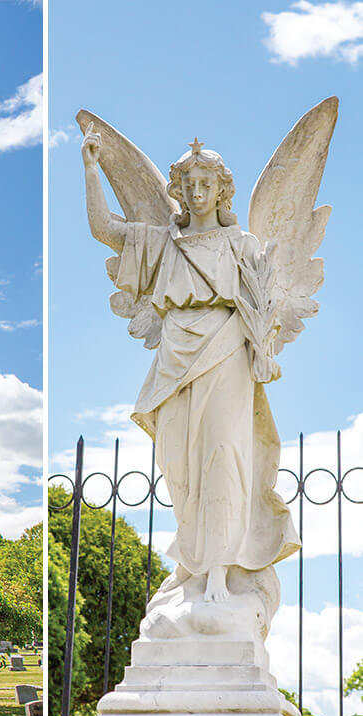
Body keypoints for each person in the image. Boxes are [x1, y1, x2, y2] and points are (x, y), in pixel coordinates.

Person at [81, 128, 299, 603]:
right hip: (175, 353)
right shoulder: (162, 244)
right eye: (189, 185)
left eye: (207, 184)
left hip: (225, 352)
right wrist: (91, 168)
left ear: (222, 190)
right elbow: (104, 228)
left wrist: (265, 350)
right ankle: (191, 563)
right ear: (177, 191)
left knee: (223, 457)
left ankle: (220, 572)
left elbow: (262, 310)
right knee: (178, 464)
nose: (198, 193)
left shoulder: (242, 246)